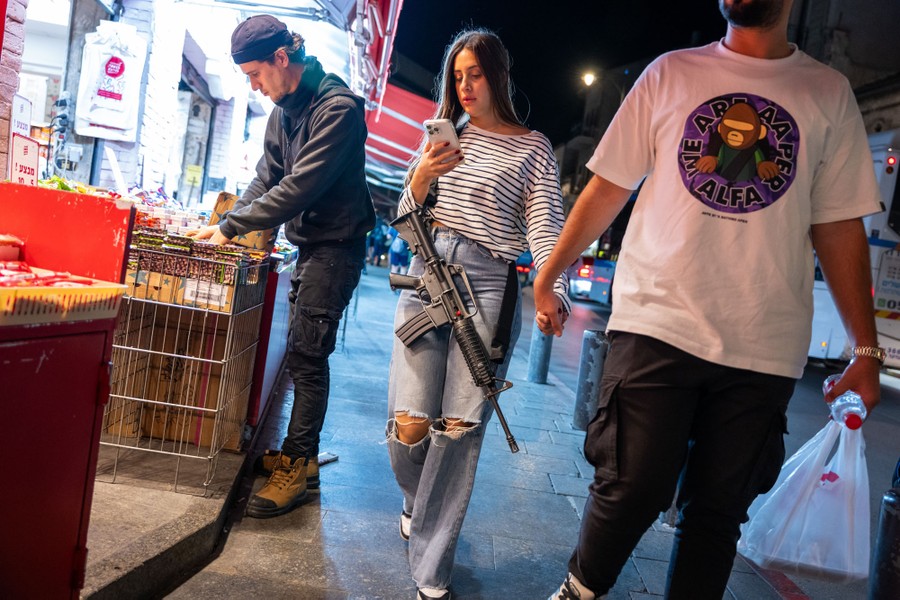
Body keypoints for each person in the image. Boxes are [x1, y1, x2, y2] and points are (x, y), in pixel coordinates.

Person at [535, 1, 884, 598]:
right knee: (631, 484)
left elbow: (839, 227)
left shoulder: (828, 93)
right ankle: (579, 589)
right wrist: (551, 270)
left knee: (717, 514)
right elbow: (610, 184)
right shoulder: (671, 72)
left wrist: (867, 349)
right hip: (658, 320)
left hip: (765, 343)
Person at [386, 28, 570, 600]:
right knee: (411, 424)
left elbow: (545, 227)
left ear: (498, 76)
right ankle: (419, 503)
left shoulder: (532, 147)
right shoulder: (444, 137)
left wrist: (552, 288)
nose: (465, 86)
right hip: (427, 274)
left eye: (476, 74)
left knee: (459, 432)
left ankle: (432, 571)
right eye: (457, 76)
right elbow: (404, 215)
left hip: (488, 284)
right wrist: (421, 177)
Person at [188, 14, 374, 519]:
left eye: (255, 74)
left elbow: (298, 189)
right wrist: (225, 223)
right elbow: (266, 179)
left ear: (281, 58)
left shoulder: (338, 108)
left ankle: (296, 467)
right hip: (312, 245)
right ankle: (304, 456)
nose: (254, 85)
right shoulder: (283, 109)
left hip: (336, 247)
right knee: (301, 354)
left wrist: (231, 227)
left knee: (308, 357)